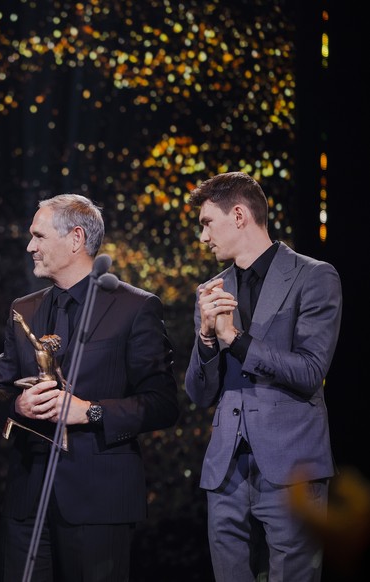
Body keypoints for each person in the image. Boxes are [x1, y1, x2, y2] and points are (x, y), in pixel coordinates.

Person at [0, 194, 180, 582]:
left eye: (38, 236)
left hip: (99, 502)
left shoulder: (135, 307)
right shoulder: (23, 310)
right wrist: (19, 405)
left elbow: (162, 403)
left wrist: (88, 411)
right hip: (28, 503)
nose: (30, 247)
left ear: (76, 239)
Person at [185, 171, 342, 582]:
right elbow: (200, 394)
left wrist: (233, 339)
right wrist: (204, 338)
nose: (203, 238)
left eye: (207, 223)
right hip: (226, 471)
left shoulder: (314, 276)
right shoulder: (211, 290)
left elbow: (309, 372)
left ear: (239, 215)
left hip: (291, 464)